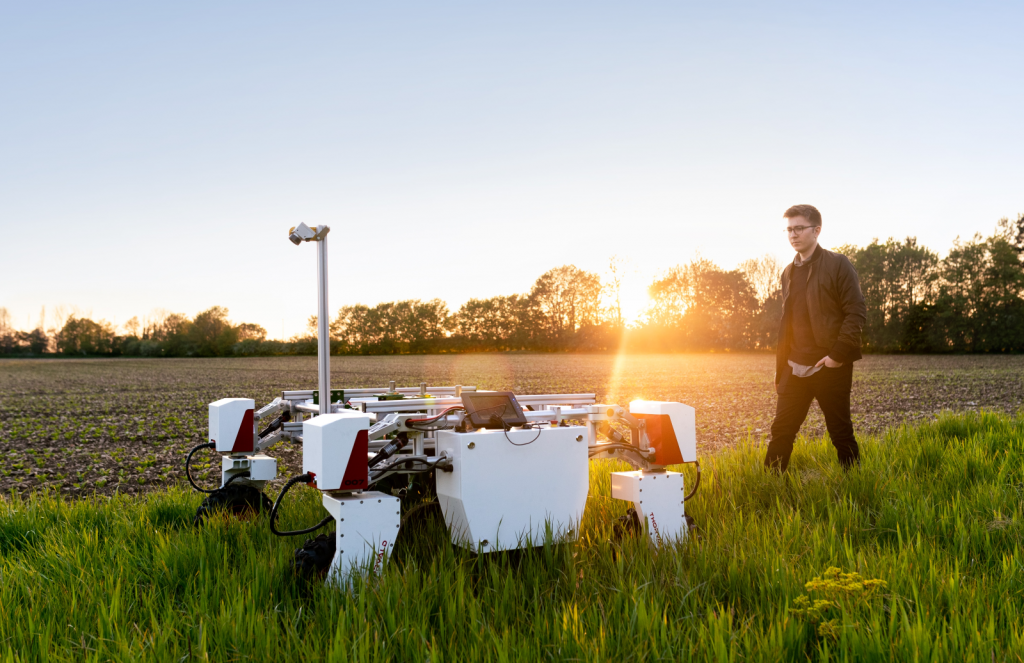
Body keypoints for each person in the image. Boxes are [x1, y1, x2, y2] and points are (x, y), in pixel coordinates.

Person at [764, 204, 867, 473]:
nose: (793, 235)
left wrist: (836, 356)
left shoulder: (837, 264)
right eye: (789, 229)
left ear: (817, 230)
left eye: (799, 228)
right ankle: (768, 488)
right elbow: (787, 324)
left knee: (840, 433)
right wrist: (781, 371)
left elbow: (856, 311)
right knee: (782, 432)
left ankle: (856, 485)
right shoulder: (787, 272)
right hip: (794, 368)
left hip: (828, 365)